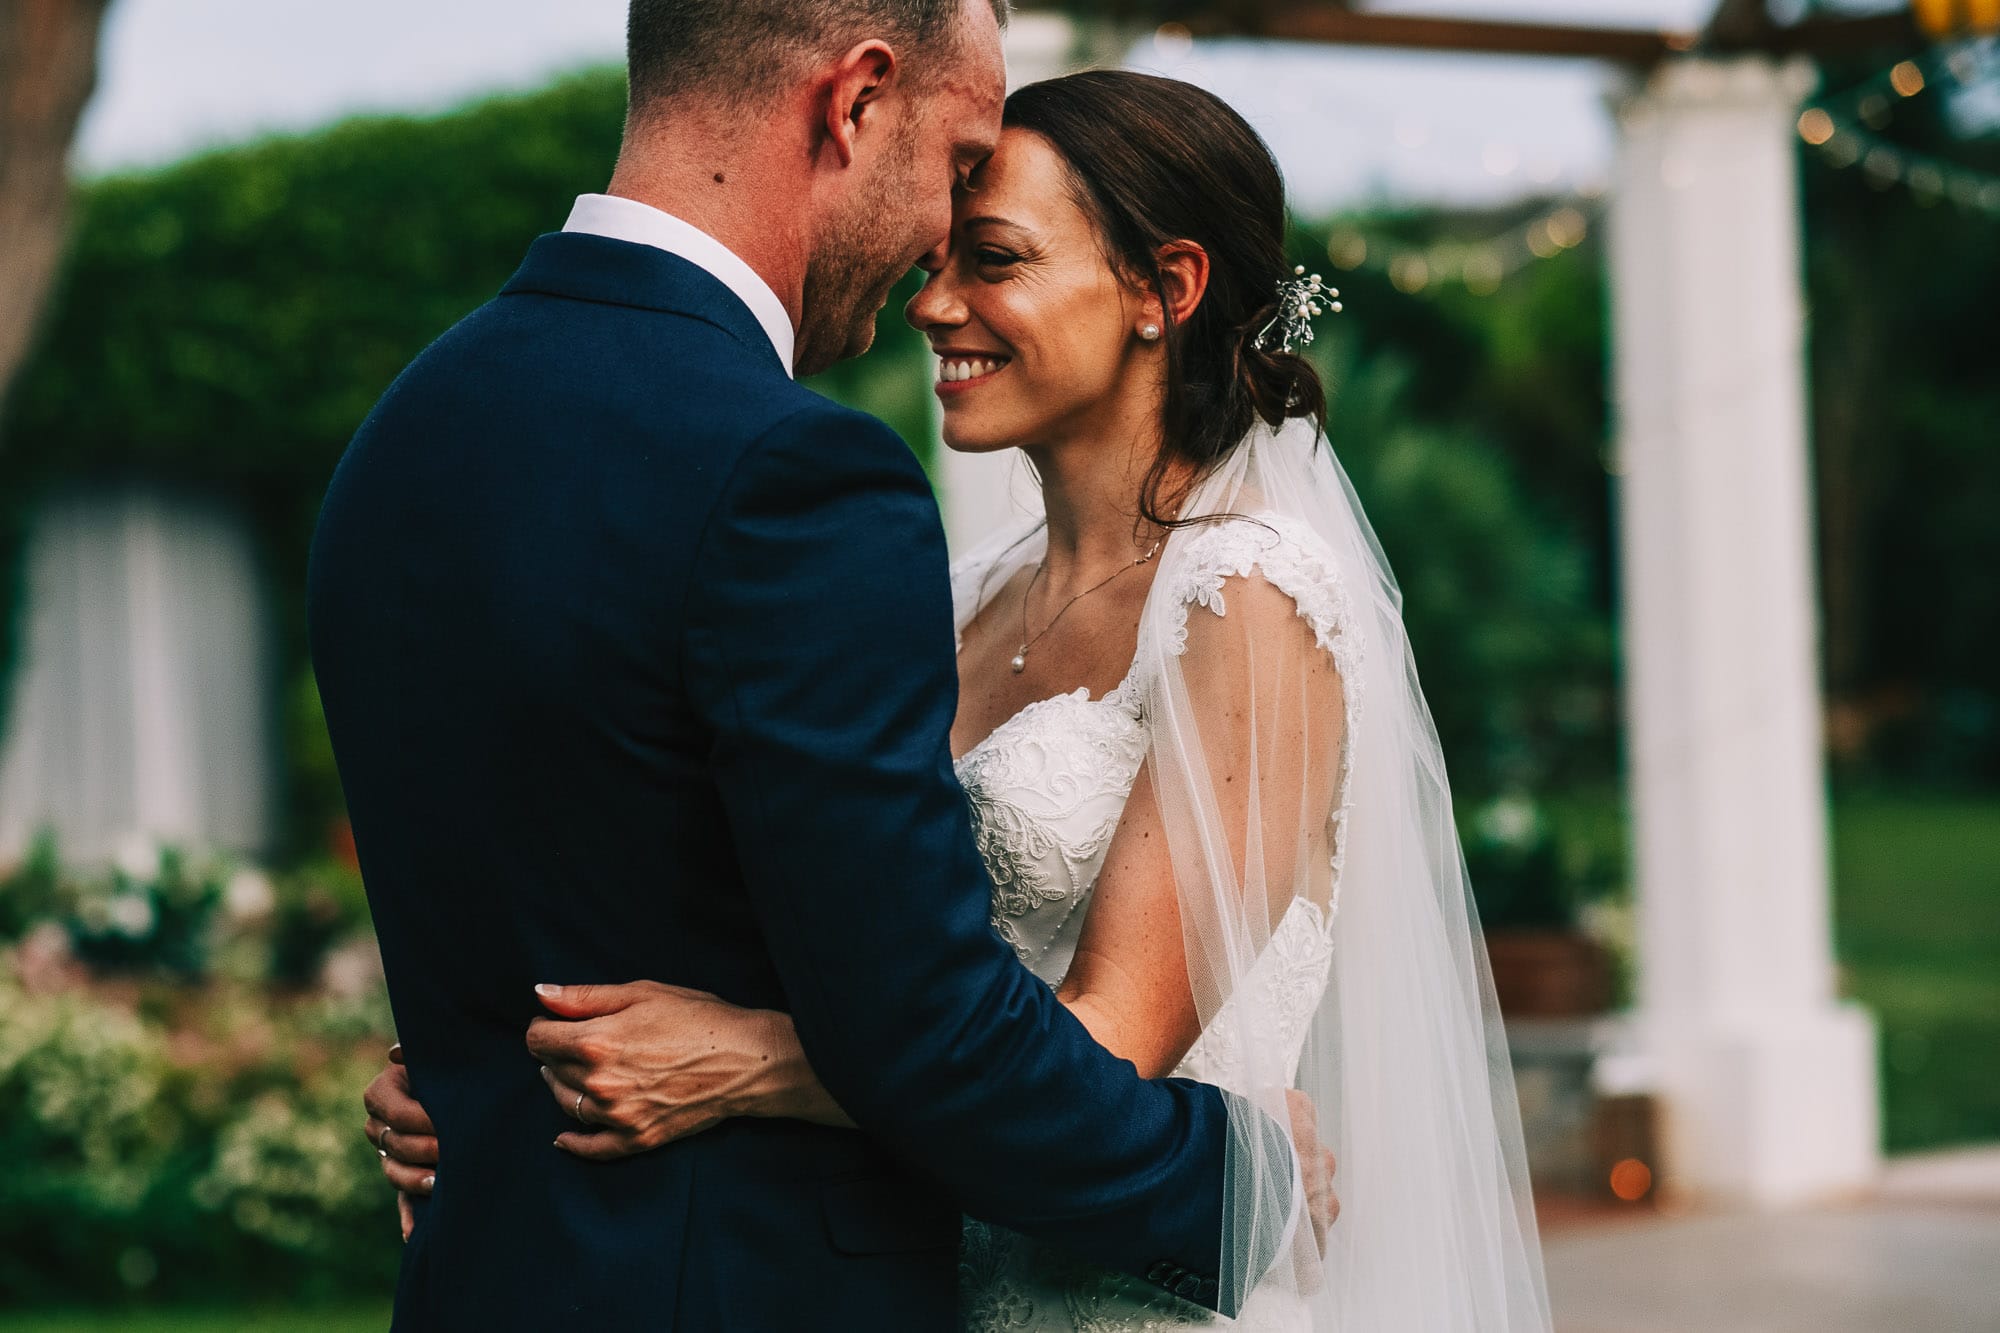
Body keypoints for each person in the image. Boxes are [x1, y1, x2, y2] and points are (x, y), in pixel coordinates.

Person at [366, 62, 1555, 1331]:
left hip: (1129, 1297)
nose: (933, 303)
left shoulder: (1251, 599)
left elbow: (1101, 1056)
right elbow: (852, 929)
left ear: (1167, 289)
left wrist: (752, 1063)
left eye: (993, 259)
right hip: (941, 1269)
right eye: (940, 257)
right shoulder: (961, 594)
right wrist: (490, 1070)